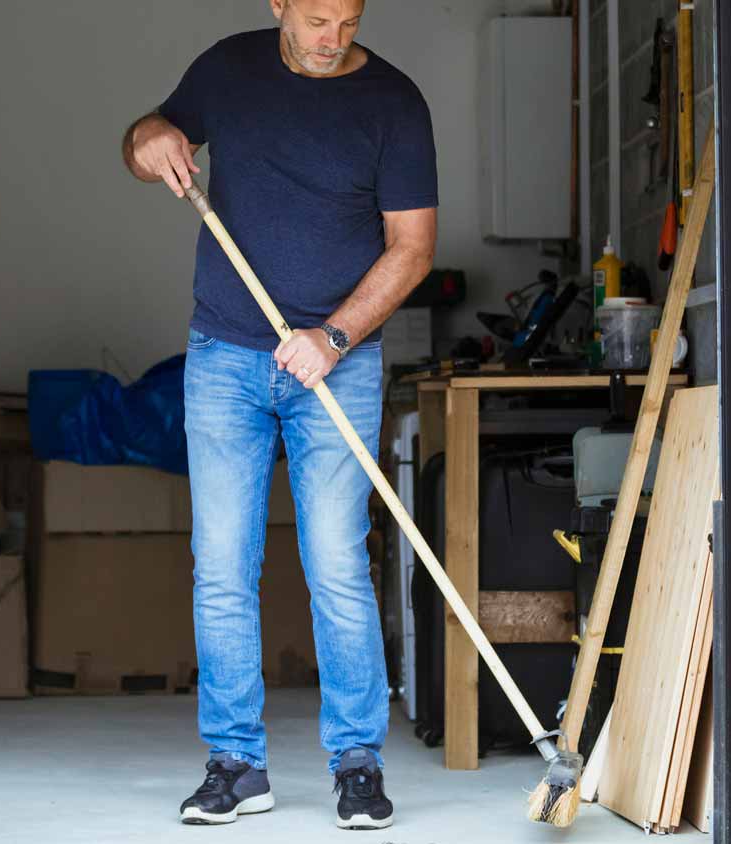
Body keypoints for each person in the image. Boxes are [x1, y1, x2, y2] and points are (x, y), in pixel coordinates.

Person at [121, 0, 437, 831]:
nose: (333, 40)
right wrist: (149, 137)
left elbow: (412, 247)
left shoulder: (394, 103)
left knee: (337, 562)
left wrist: (332, 337)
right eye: (316, 20)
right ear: (279, 6)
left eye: (349, 21)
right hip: (225, 355)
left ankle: (358, 764)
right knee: (222, 566)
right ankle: (236, 764)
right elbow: (147, 138)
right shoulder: (228, 68)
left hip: (340, 363)